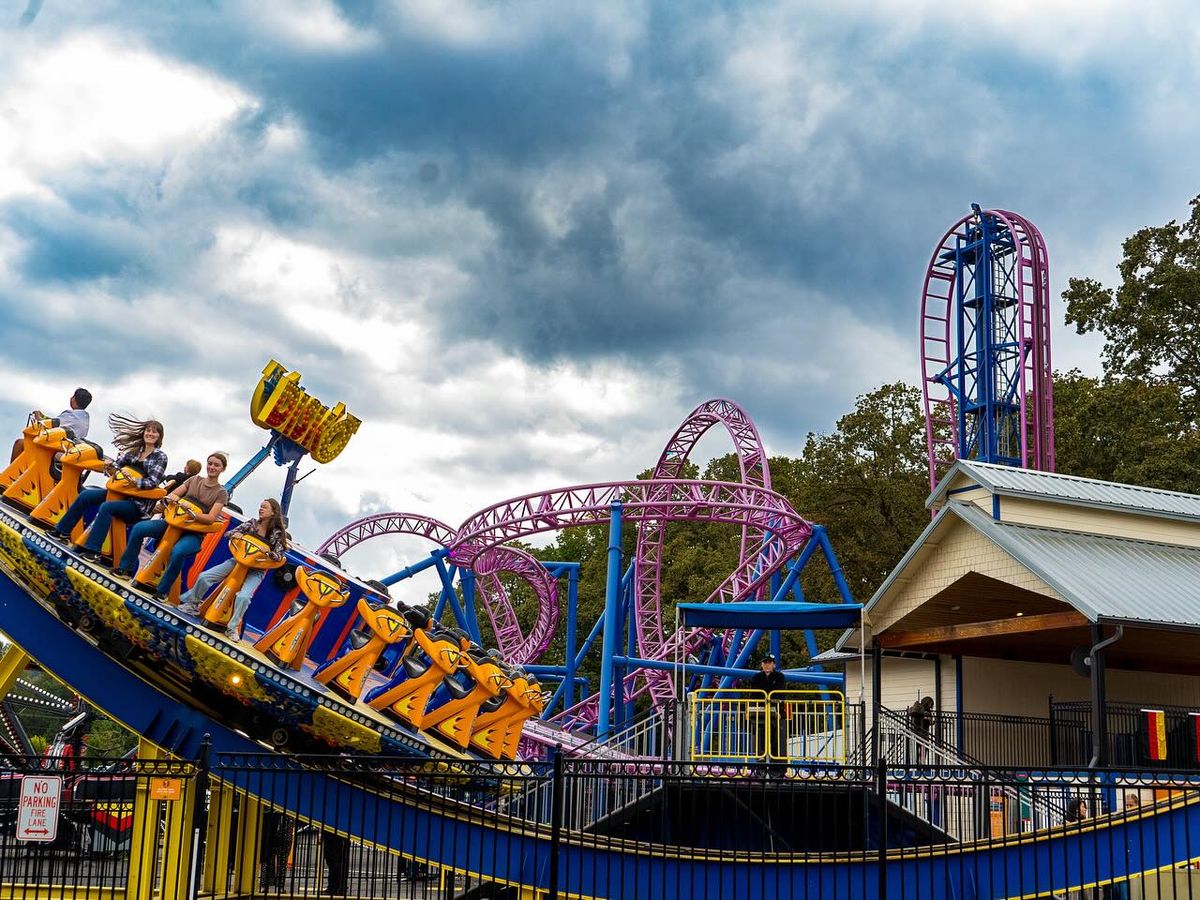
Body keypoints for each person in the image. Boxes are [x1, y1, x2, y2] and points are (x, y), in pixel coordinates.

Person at [113, 452, 229, 598]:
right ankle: (125, 569)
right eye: (210, 463)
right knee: (139, 529)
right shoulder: (194, 480)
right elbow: (173, 495)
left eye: (216, 465)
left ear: (222, 469)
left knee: (178, 551)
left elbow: (211, 518)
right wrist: (172, 501)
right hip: (173, 524)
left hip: (193, 533)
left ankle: (162, 591)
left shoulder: (221, 493)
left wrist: (191, 513)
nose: (212, 467)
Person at [50, 416, 167, 559]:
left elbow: (153, 481)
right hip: (116, 492)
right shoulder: (135, 451)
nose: (150, 434)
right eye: (148, 431)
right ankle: (62, 531)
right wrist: (111, 469)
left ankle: (93, 550)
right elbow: (118, 464)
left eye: (154, 432)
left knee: (107, 507)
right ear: (143, 433)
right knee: (85, 496)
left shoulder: (160, 457)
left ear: (159, 436)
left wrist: (133, 482)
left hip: (136, 504)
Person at [178, 498, 288, 639]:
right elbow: (229, 534)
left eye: (265, 507)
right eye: (260, 506)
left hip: (257, 569)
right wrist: (237, 535)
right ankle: (192, 604)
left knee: (244, 597)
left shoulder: (276, 534)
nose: (261, 509)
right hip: (237, 561)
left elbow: (279, 556)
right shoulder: (252, 524)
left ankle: (232, 627)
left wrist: (267, 553)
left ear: (273, 512)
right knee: (205, 577)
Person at [10, 387, 93, 462]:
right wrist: (44, 416)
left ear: (74, 399)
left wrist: (39, 418)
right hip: (71, 449)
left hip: (56, 448)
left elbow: (51, 425)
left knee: (19, 443)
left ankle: (11, 476)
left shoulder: (71, 415)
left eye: (73, 396)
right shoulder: (84, 417)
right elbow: (56, 422)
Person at [747, 654, 786, 761]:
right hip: (761, 711)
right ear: (761, 665)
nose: (767, 665)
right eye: (765, 663)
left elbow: (780, 693)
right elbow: (754, 694)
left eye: (769, 663)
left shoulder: (779, 677)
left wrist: (772, 701)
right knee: (761, 731)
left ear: (774, 665)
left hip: (776, 710)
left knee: (776, 733)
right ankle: (762, 754)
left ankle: (775, 756)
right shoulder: (756, 677)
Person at [258, 809, 293, 892]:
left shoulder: (268, 810)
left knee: (267, 860)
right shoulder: (288, 812)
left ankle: (265, 886)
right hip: (283, 834)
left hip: (271, 833)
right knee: (281, 862)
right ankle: (279, 887)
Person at [321, 830, 350, 895]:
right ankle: (341, 887)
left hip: (332, 833)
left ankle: (334, 887)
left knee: (334, 861)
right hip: (343, 833)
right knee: (341, 860)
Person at [908, 696, 935, 763]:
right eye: (930, 704)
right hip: (918, 730)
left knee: (924, 748)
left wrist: (929, 720)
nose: (930, 706)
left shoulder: (928, 711)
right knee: (919, 747)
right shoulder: (918, 708)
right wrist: (924, 716)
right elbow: (913, 713)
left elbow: (930, 721)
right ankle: (918, 763)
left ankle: (922, 763)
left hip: (924, 731)